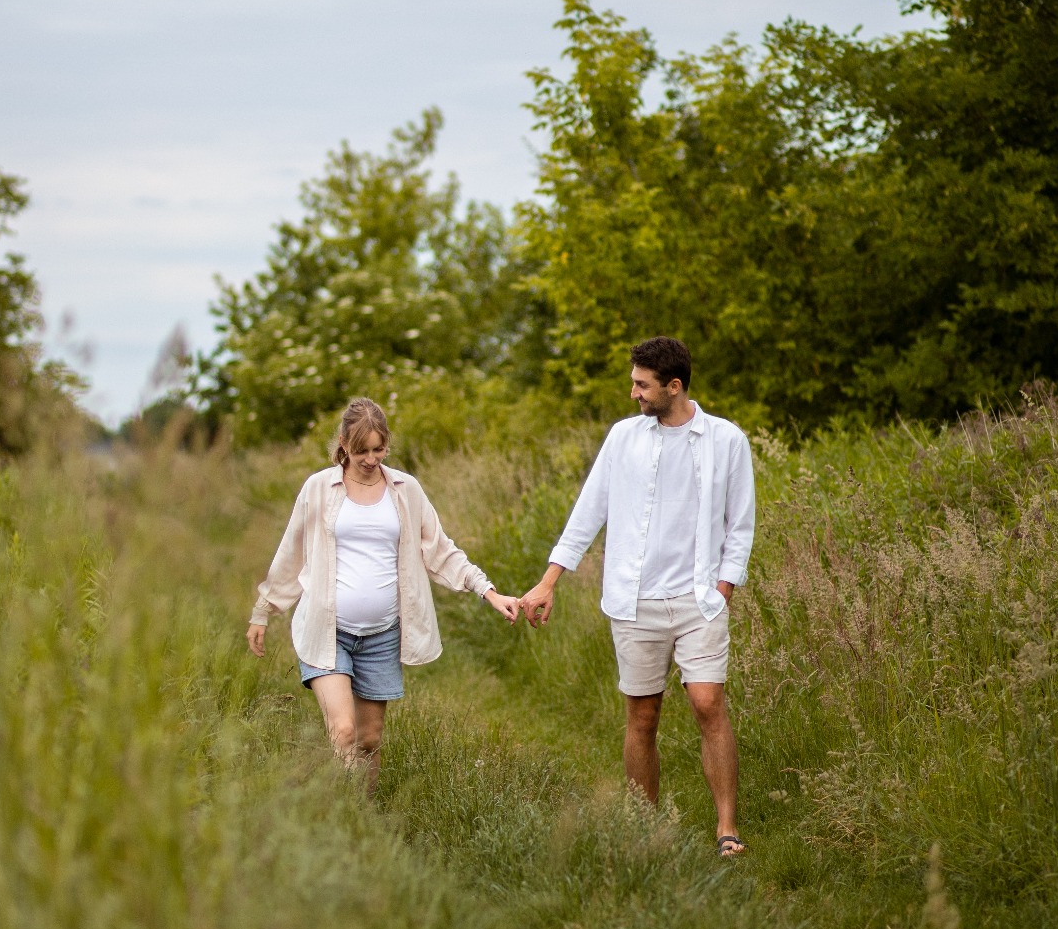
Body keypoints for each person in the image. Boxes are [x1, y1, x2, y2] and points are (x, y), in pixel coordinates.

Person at [519, 337, 755, 855]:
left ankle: (727, 828)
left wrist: (723, 588)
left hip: (700, 599)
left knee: (707, 702)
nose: (633, 393)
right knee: (643, 714)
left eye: (642, 384)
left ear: (674, 387)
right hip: (634, 602)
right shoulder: (623, 438)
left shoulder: (726, 440)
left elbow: (740, 524)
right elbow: (588, 512)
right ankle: (644, 832)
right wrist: (549, 580)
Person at [247, 396, 520, 788]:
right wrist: (264, 609)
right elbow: (291, 550)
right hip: (328, 631)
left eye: (378, 449)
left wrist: (490, 592)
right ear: (343, 443)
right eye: (361, 451)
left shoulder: (405, 490)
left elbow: (440, 549)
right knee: (342, 732)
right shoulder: (319, 488)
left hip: (382, 635)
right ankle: (347, 818)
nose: (371, 459)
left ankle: (365, 822)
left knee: (369, 739)